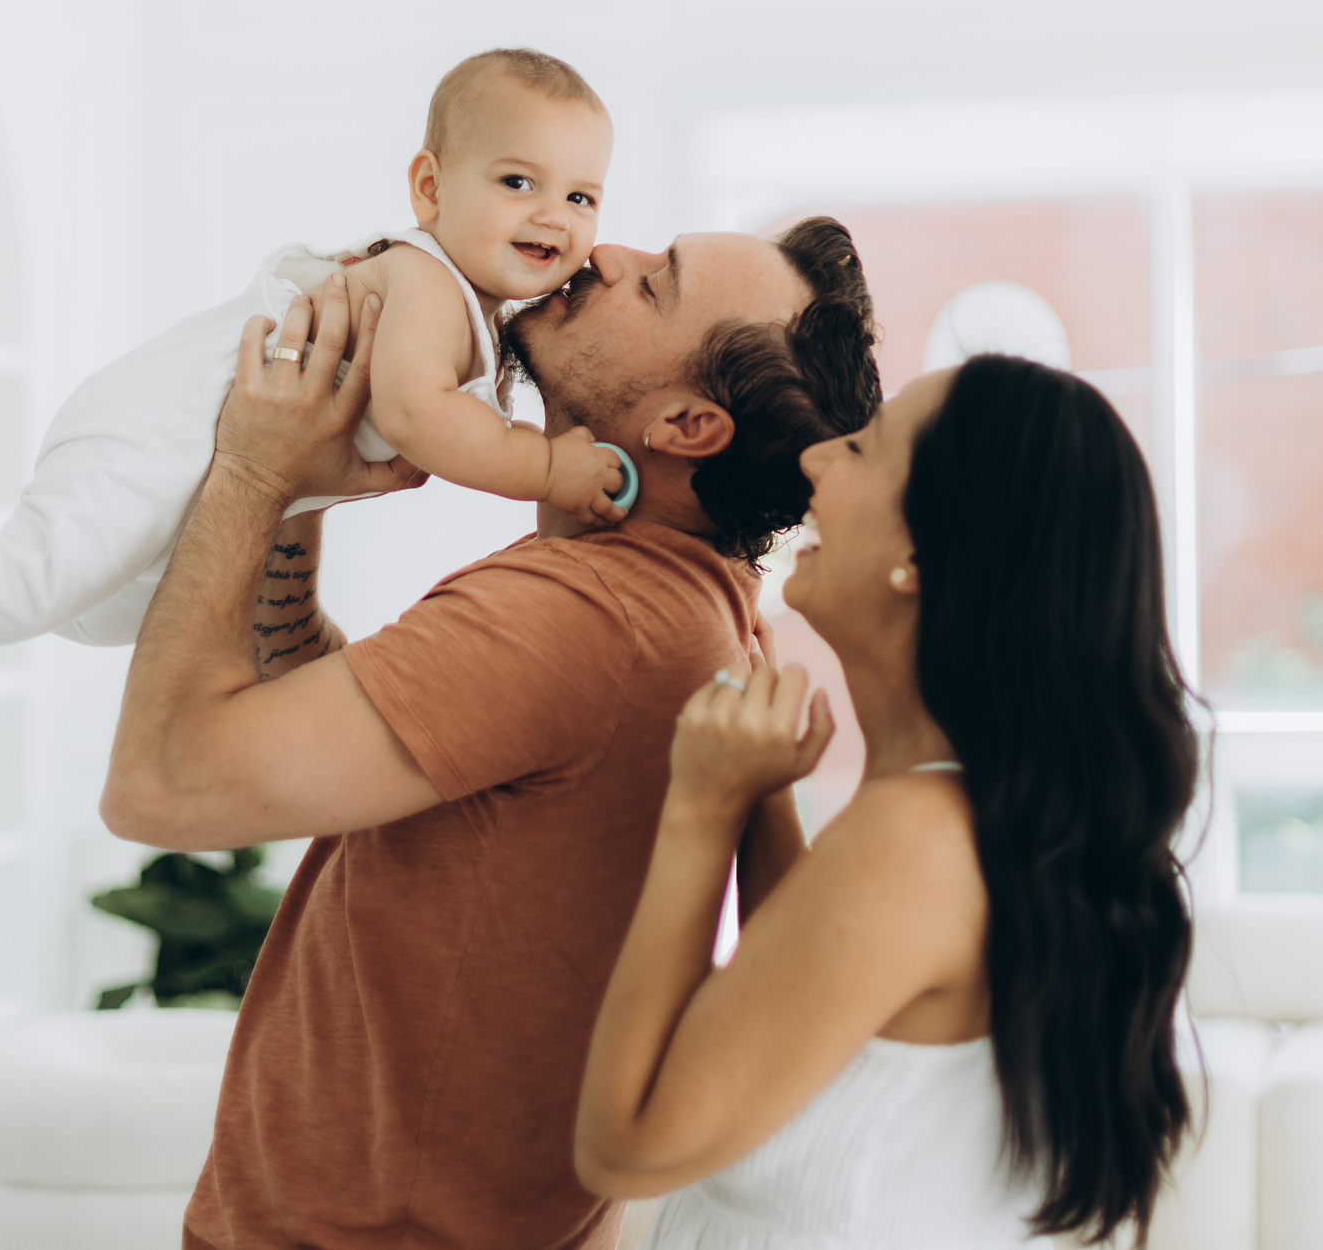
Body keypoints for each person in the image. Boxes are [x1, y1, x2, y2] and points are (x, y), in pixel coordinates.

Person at [100, 219, 883, 1249]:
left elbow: (160, 783)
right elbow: (343, 725)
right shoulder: (699, 609)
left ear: (688, 426)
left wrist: (248, 469)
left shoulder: (587, 615)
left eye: (654, 287)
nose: (604, 255)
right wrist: (298, 497)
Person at [0, 48, 632, 760]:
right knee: (45, 582)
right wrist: (547, 463)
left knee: (117, 614)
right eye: (518, 181)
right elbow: (416, 414)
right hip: (159, 430)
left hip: (204, 473)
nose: (553, 214)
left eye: (581, 196)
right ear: (430, 188)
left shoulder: (474, 308)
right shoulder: (428, 283)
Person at [574, 354, 1203, 1247]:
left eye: (864, 449)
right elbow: (805, 1015)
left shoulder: (918, 839)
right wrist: (758, 797)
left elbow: (626, 1144)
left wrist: (700, 813)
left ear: (922, 551)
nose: (816, 460)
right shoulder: (958, 823)